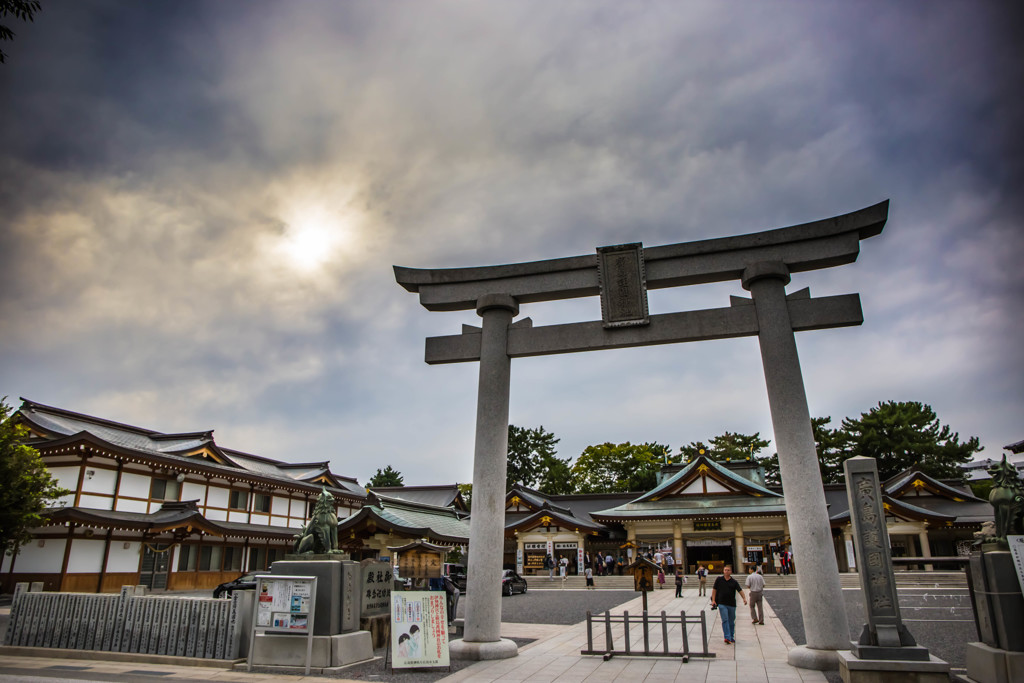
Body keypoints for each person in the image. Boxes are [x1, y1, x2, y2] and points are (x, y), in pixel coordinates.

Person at [711, 564, 747, 645]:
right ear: (723, 571)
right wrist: (713, 600)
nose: (726, 571)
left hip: (731, 604)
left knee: (731, 621)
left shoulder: (734, 582)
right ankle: (727, 637)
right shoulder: (719, 580)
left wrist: (744, 598)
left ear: (731, 571)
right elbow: (714, 590)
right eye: (725, 570)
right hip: (721, 603)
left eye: (728, 570)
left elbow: (740, 590)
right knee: (725, 620)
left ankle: (731, 636)